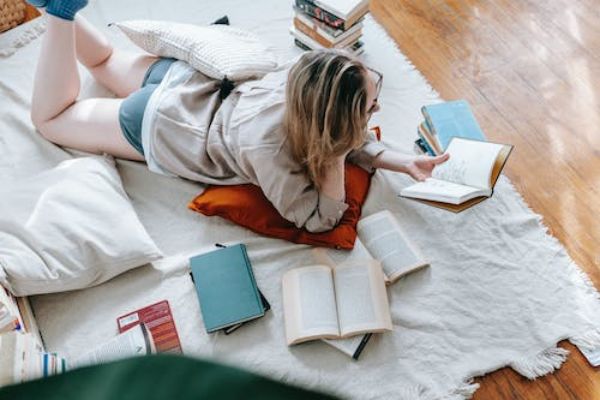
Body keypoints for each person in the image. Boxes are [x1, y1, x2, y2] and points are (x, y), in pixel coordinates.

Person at [28, 0, 449, 233]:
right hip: (164, 124)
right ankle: (60, 15)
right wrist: (337, 158)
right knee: (54, 118)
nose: (376, 111)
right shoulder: (272, 152)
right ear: (334, 125)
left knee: (102, 61)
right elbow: (317, 218)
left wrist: (402, 161)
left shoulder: (298, 77)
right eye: (371, 106)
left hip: (185, 79)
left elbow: (343, 128)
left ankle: (60, 7)